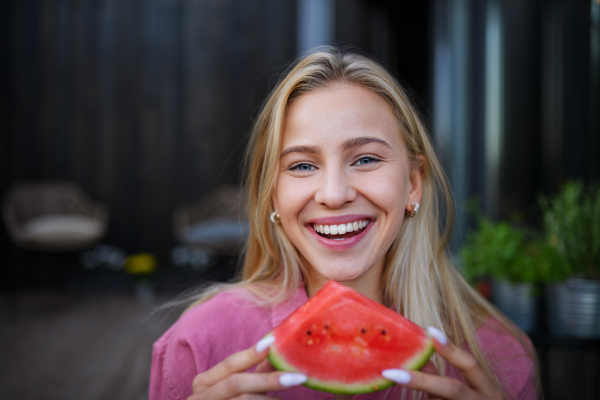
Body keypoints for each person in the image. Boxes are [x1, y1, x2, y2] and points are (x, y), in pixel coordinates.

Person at [149, 47, 538, 400]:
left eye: (366, 159)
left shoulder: (500, 358)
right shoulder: (199, 343)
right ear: (273, 197)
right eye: (302, 165)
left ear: (413, 185)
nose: (333, 195)